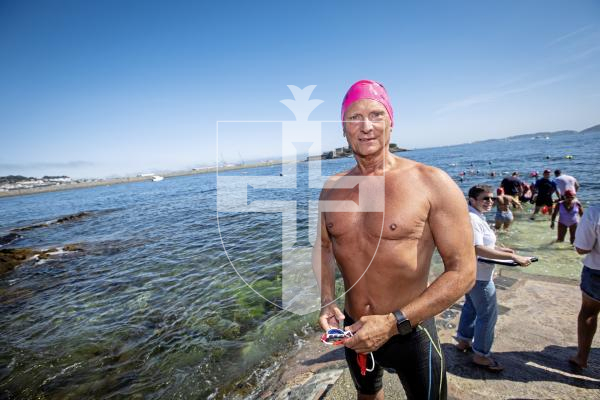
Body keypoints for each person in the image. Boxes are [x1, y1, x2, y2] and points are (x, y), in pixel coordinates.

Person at [314, 80, 476, 400]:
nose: (365, 126)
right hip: (353, 328)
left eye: (375, 114)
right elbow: (323, 246)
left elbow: (464, 270)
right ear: (343, 129)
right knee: (367, 396)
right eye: (354, 117)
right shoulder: (331, 189)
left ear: (391, 120)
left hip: (411, 332)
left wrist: (392, 323)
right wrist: (327, 300)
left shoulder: (431, 182)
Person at [455, 185, 533, 372]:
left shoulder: (475, 215)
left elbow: (481, 245)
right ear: (472, 200)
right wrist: (512, 257)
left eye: (492, 199)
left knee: (471, 307)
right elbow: (477, 249)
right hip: (479, 276)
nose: (490, 201)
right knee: (488, 315)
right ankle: (481, 355)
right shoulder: (473, 218)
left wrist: (500, 250)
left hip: (473, 273)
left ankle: (464, 341)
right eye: (485, 198)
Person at [570, 205, 600, 369]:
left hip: (597, 270)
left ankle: (582, 358)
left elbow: (582, 248)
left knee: (589, 312)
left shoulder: (595, 212)